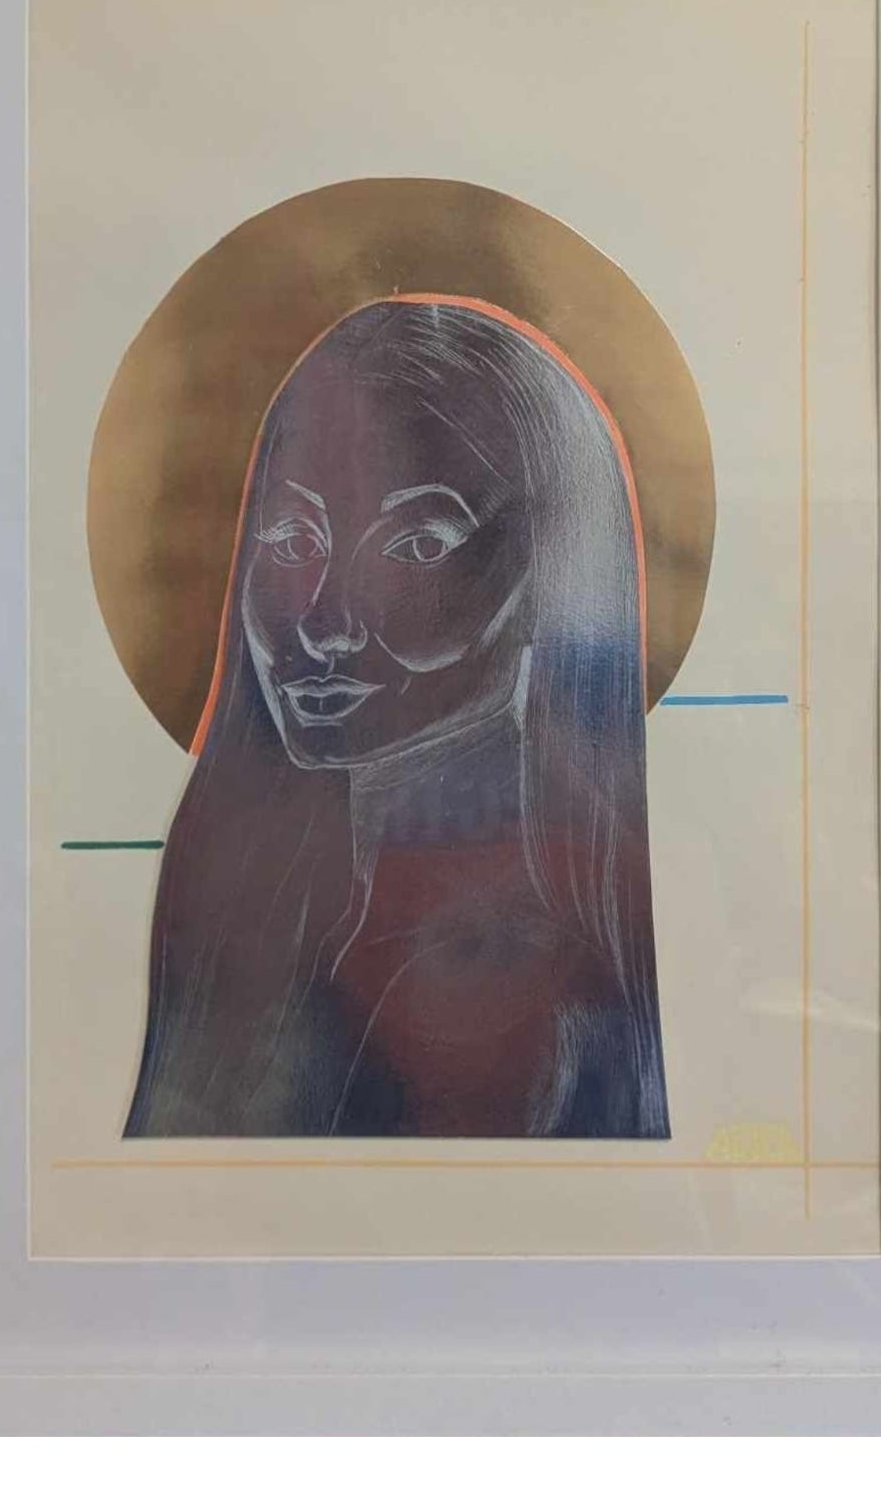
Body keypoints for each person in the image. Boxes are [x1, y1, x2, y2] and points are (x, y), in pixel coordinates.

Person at [124, 295, 669, 1137]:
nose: (324, 622)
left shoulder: (544, 979)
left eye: (416, 546)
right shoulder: (256, 906)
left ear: (551, 568)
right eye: (292, 542)